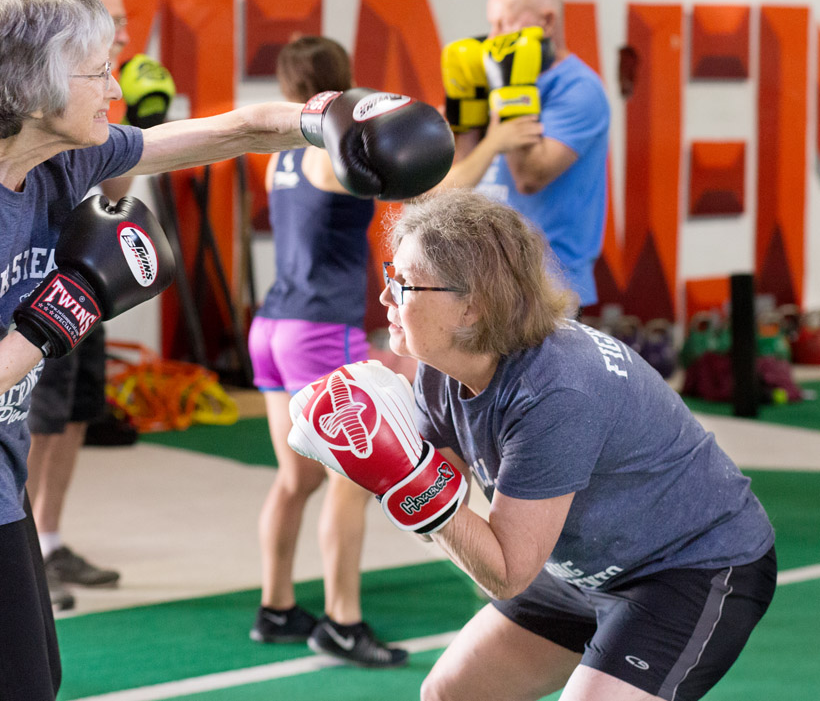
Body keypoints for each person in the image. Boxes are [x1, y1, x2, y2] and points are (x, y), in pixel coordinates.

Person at [0, 0, 452, 701]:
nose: (115, 87)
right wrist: (61, 315)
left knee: (34, 677)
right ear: (36, 89)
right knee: (13, 687)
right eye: (97, 72)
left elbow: (232, 131)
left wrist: (325, 116)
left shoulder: (58, 156)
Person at [288, 189, 777, 701]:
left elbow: (504, 574)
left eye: (405, 284)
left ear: (472, 308)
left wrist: (405, 479)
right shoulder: (439, 372)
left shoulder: (557, 391)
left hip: (691, 567)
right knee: (449, 694)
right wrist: (389, 472)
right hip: (582, 567)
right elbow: (445, 519)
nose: (386, 298)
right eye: (391, 276)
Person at [247, 36, 407, 668]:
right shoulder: (332, 154)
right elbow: (429, 180)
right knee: (352, 481)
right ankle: (343, 621)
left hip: (272, 326)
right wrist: (493, 140)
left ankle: (277, 608)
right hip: (319, 330)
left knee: (296, 479)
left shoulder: (281, 156)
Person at [24, 0, 146, 612]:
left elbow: (116, 189)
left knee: (73, 416)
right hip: (40, 279)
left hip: (88, 273)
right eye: (112, 18)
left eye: (123, 20)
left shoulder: (105, 88)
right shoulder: (51, 88)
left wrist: (143, 123)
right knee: (37, 423)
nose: (123, 33)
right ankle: (19, 557)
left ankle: (48, 539)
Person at [441, 0, 610, 309]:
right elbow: (461, 177)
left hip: (547, 281)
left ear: (547, 21)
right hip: (487, 273)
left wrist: (511, 91)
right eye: (491, 25)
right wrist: (464, 117)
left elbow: (530, 177)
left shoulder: (579, 89)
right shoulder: (491, 78)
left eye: (504, 24)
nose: (492, 38)